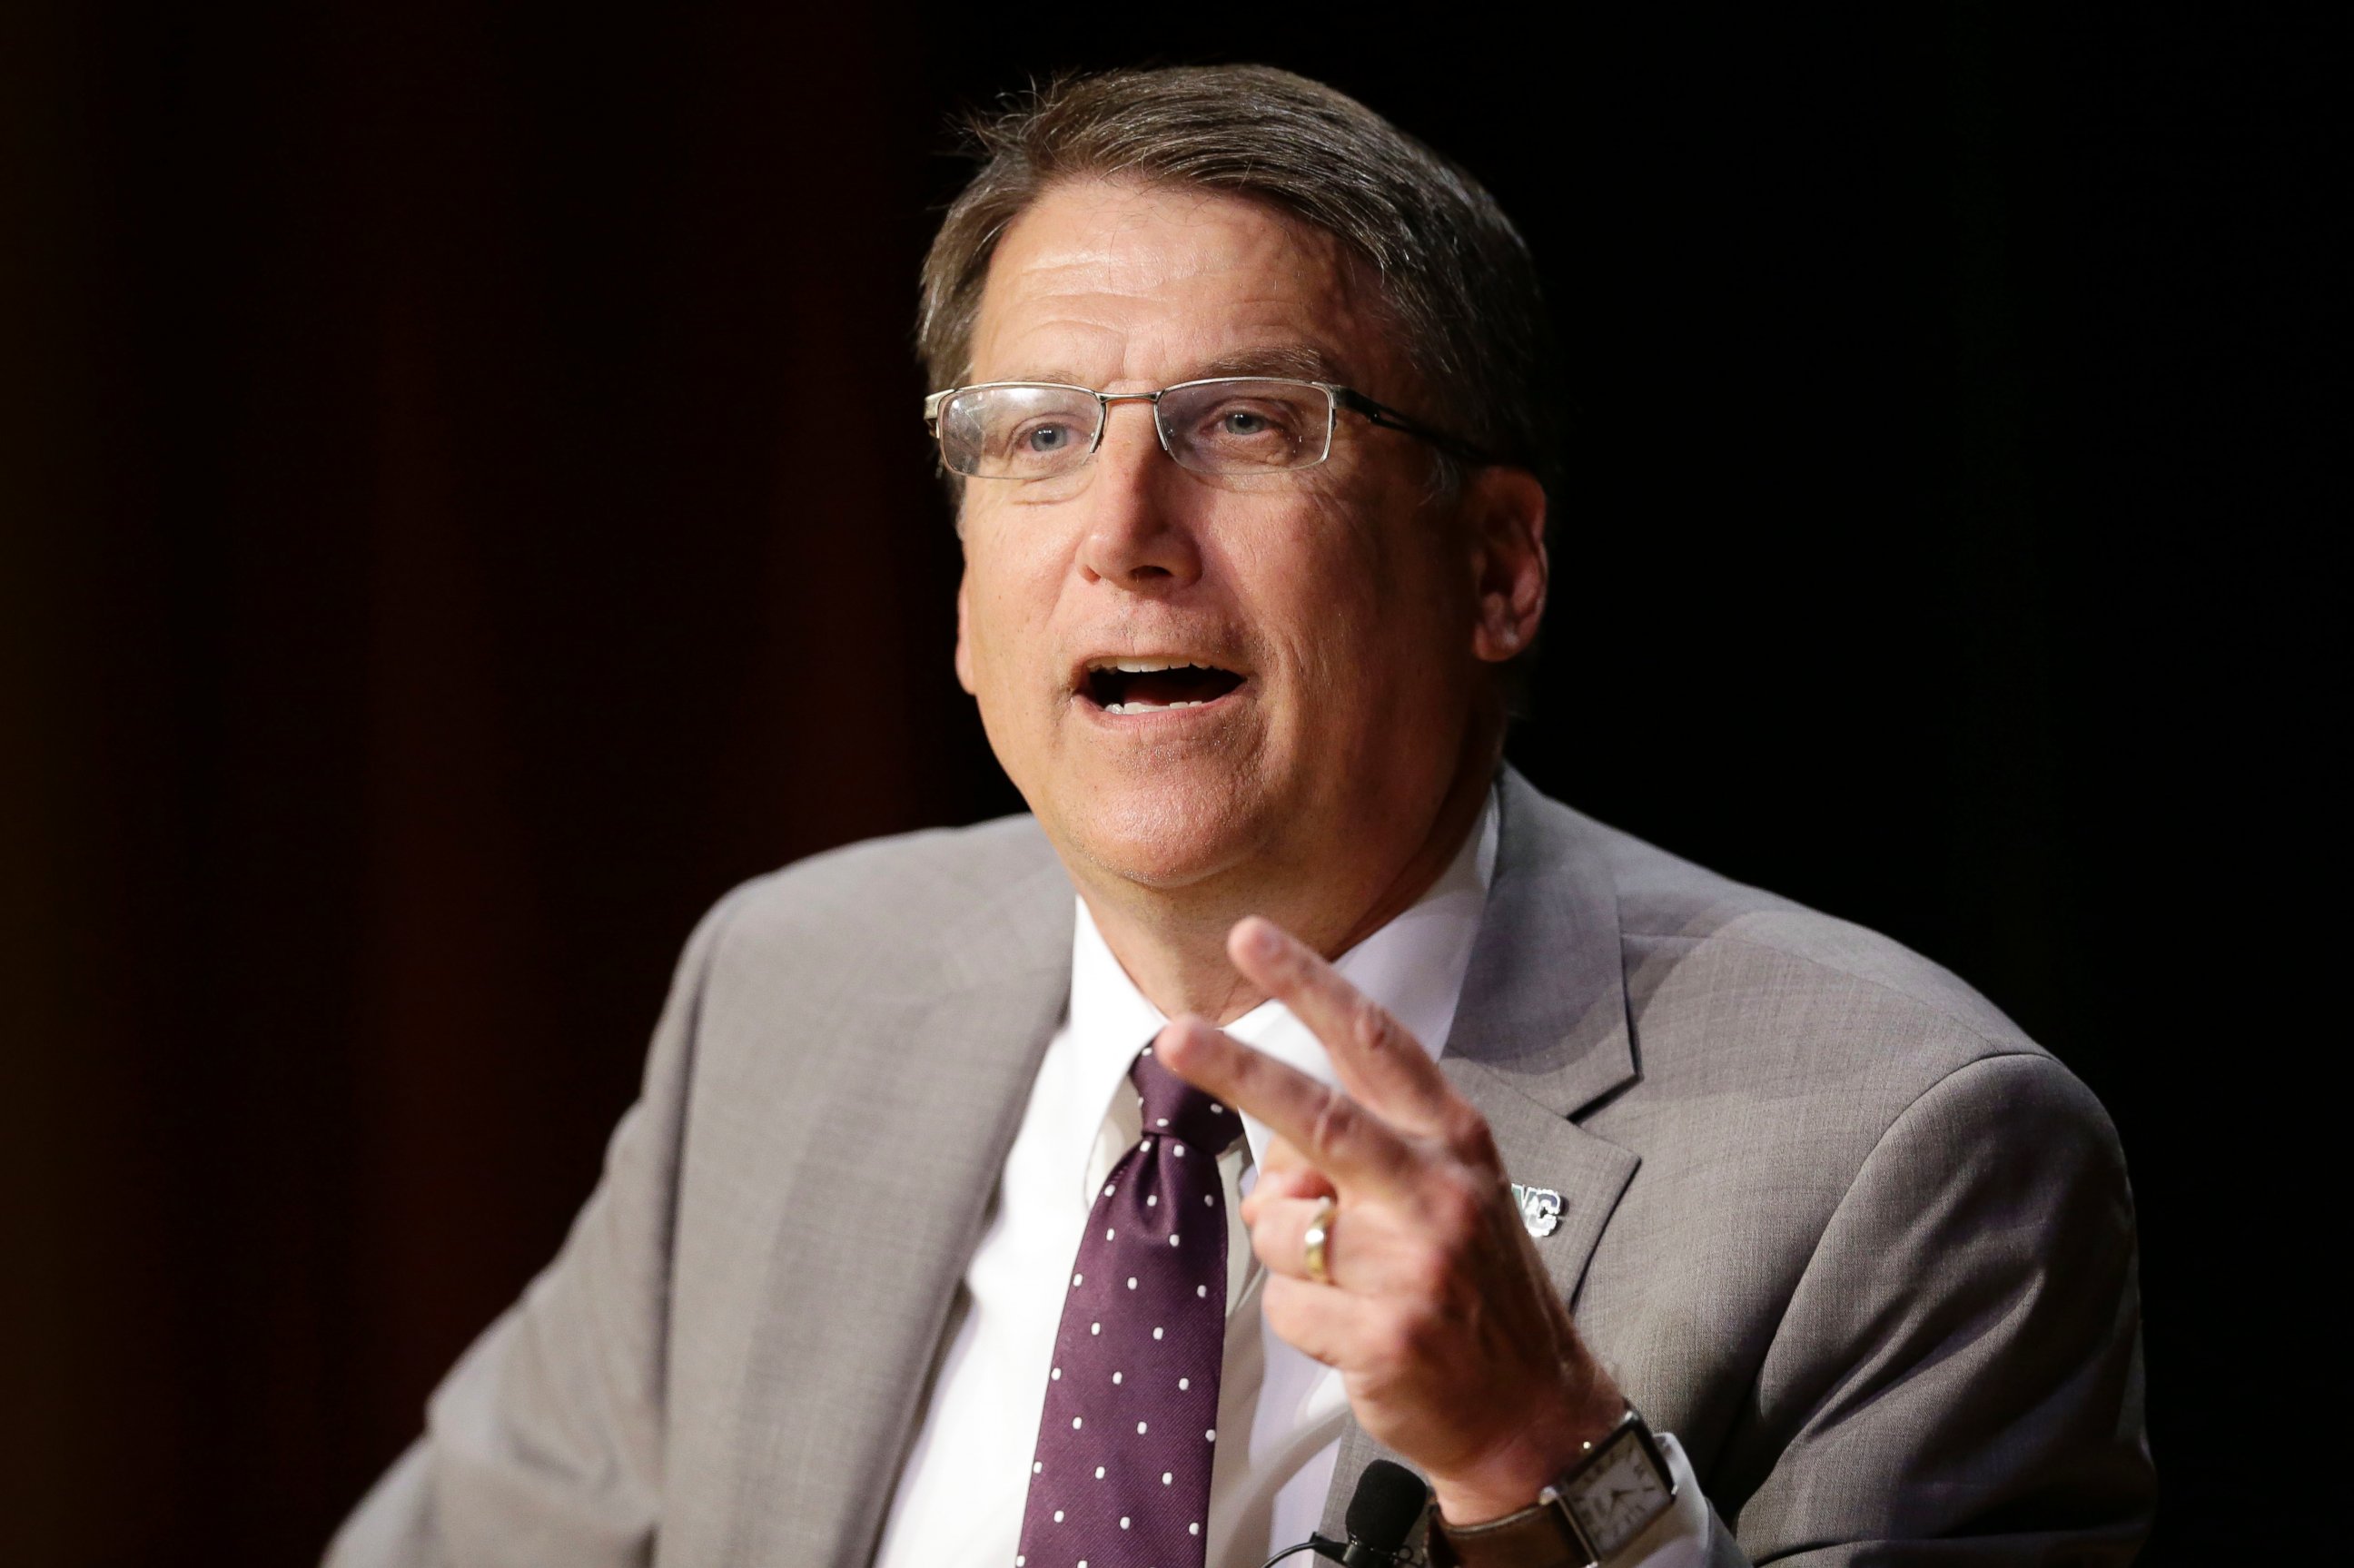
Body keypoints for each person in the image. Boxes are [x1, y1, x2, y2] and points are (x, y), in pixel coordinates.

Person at [328, 64, 2152, 1568]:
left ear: (1499, 565)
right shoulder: (793, 994)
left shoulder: (1905, 1159)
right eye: (1038, 434)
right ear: (963, 594)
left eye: (1249, 425)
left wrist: (1548, 1460)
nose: (1124, 526)